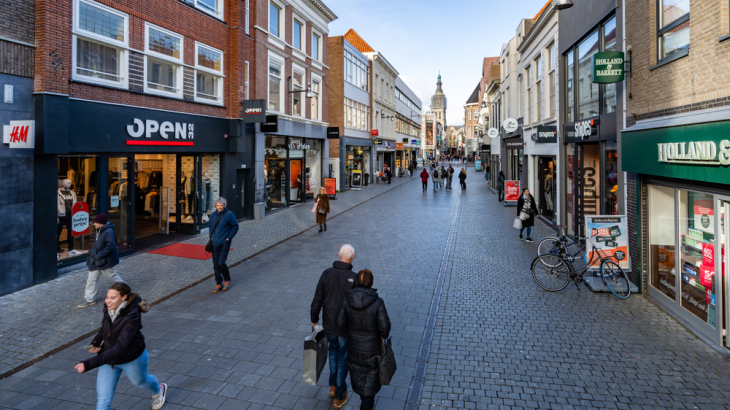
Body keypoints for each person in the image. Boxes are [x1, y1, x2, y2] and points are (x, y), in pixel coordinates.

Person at [75, 283, 167, 410]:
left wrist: (89, 364)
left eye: (112, 298)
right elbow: (104, 329)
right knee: (103, 402)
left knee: (141, 382)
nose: (108, 301)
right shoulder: (108, 308)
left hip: (131, 359)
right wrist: (96, 343)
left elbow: (120, 347)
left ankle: (159, 390)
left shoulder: (132, 316)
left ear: (123, 297)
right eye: (107, 297)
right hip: (109, 360)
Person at [337, 270, 391, 410]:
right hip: (372, 351)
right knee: (370, 385)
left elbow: (340, 322)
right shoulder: (378, 302)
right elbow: (385, 328)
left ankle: (365, 402)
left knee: (359, 377)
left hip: (354, 348)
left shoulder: (347, 299)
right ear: (371, 282)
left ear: (357, 282)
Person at [311, 245, 358, 409]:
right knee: (342, 359)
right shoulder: (355, 277)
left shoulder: (326, 273)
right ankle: (339, 395)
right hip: (345, 329)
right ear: (352, 258)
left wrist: (314, 318)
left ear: (339, 255)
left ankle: (332, 386)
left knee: (333, 353)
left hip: (329, 325)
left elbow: (317, 298)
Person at [78, 213, 124, 308]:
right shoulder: (99, 230)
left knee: (112, 277)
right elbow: (97, 245)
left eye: (95, 222)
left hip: (105, 260)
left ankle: (125, 289)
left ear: (102, 223)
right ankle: (89, 299)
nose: (93, 224)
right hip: (97, 260)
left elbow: (110, 246)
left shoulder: (109, 232)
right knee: (91, 279)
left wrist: (99, 255)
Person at [209, 197, 239, 293]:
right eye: (218, 205)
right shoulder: (213, 215)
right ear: (215, 206)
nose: (220, 207)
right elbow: (210, 227)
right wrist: (211, 237)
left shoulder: (229, 215)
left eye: (221, 205)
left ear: (224, 206)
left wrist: (228, 238)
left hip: (224, 243)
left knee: (221, 262)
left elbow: (235, 226)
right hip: (215, 243)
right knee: (215, 264)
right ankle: (218, 283)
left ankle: (227, 279)